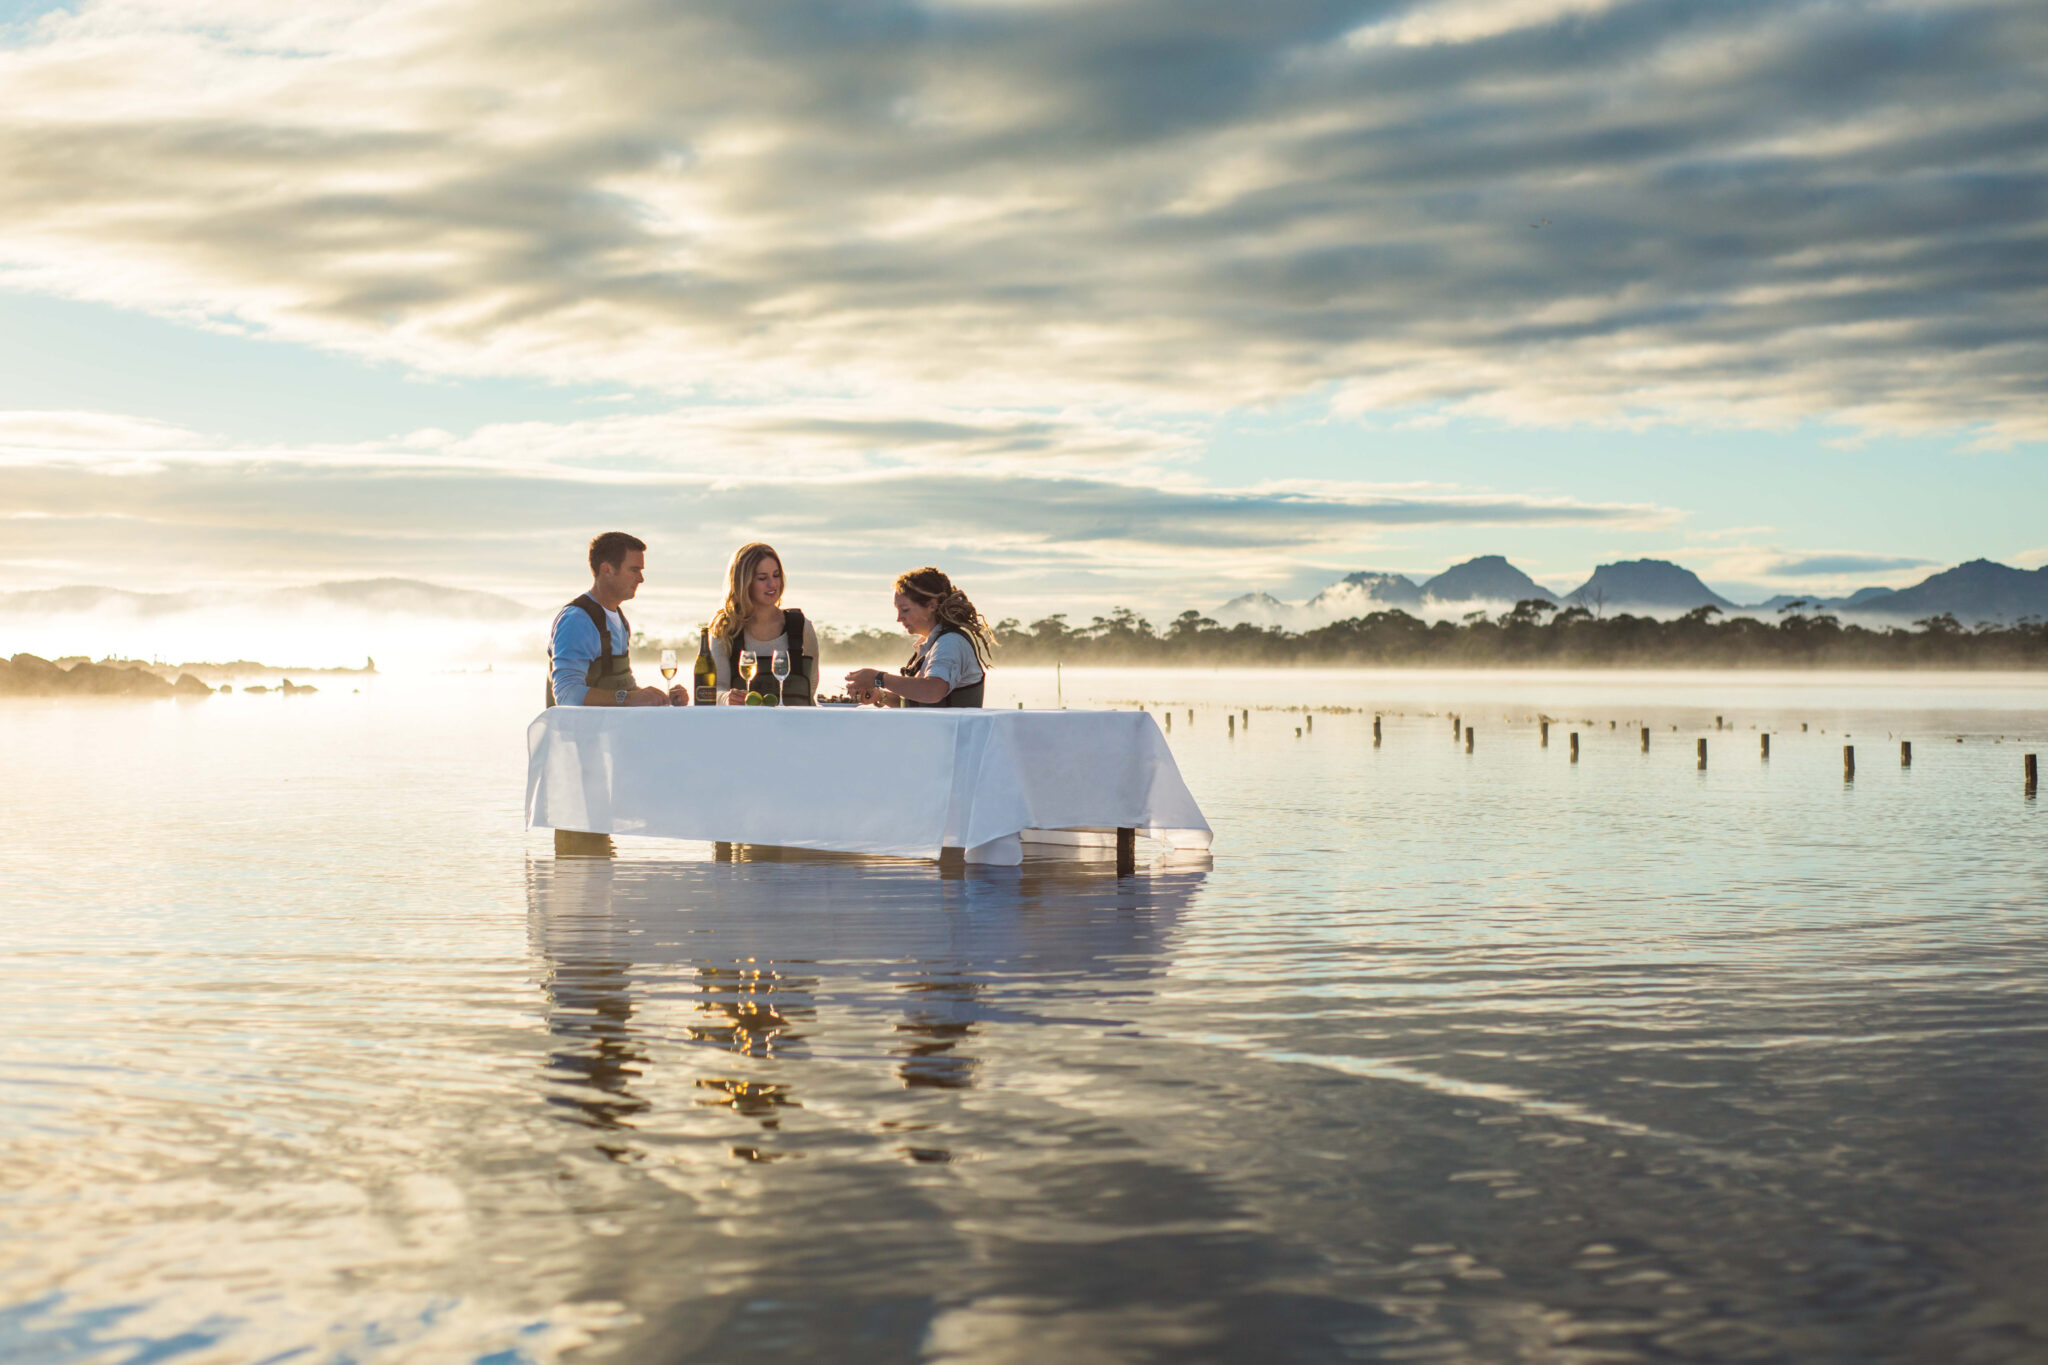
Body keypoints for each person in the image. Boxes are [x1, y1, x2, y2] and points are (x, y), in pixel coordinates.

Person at [547, 531, 672, 707]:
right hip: (580, 734)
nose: (641, 579)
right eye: (634, 570)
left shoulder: (620, 619)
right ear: (607, 569)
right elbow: (566, 694)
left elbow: (621, 689)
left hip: (611, 732)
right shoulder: (577, 621)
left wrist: (661, 698)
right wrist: (630, 698)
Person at [844, 567, 992, 708]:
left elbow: (932, 691)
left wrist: (878, 678)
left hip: (952, 734)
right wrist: (880, 696)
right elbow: (922, 702)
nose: (899, 618)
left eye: (905, 610)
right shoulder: (930, 644)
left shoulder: (950, 642)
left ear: (932, 605)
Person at [708, 542, 820, 705]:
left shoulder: (802, 627)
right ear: (743, 582)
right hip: (743, 725)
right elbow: (714, 689)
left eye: (776, 575)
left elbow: (810, 689)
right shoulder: (725, 629)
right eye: (762, 578)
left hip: (797, 725)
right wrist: (726, 698)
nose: (772, 584)